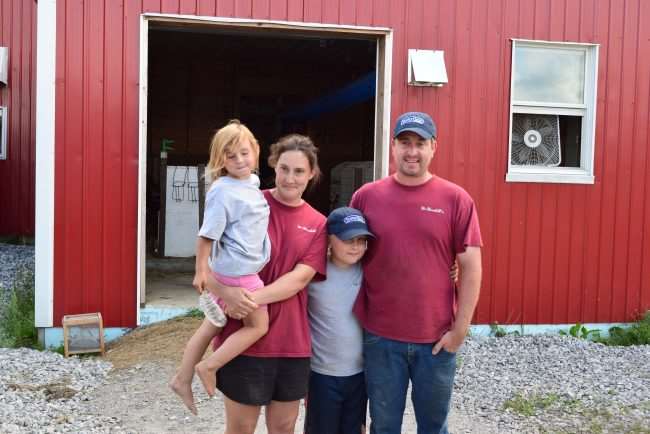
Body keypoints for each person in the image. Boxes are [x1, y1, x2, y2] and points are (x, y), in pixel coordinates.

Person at [351, 111, 483, 434]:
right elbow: (344, 255)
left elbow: (471, 266)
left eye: (420, 143)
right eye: (405, 142)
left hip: (436, 340)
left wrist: (460, 331)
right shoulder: (366, 197)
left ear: (433, 147)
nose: (412, 151)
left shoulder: (456, 200)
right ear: (393, 146)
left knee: (434, 427)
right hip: (381, 338)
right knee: (383, 426)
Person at [207, 133, 329, 434]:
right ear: (273, 165)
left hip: (291, 343)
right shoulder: (245, 201)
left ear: (311, 173)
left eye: (299, 171)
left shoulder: (317, 223)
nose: (290, 178)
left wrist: (248, 298)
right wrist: (225, 294)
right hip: (243, 338)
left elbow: (298, 280)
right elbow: (210, 266)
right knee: (240, 429)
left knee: (284, 428)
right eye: (284, 168)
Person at [169, 120, 271, 415]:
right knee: (258, 325)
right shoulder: (223, 191)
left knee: (213, 323)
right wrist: (202, 272)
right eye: (230, 156)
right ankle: (210, 366)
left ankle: (182, 378)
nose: (239, 161)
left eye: (244, 153)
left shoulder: (249, 183)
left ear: (256, 151)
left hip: (239, 269)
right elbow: (206, 236)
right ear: (220, 161)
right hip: (238, 274)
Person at [305, 207, 374, 434]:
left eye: (361, 240)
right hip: (321, 375)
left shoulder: (368, 272)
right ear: (329, 239)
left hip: (358, 375)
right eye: (347, 239)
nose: (355, 246)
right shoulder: (312, 275)